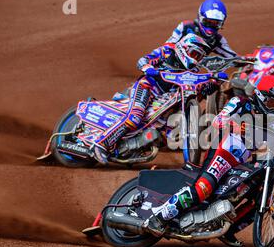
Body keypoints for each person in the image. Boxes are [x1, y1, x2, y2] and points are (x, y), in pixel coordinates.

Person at [143, 75, 274, 246]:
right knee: (203, 189)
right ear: (261, 97)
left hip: (242, 165)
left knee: (258, 196)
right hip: (223, 153)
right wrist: (237, 126)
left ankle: (229, 230)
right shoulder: (241, 103)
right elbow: (217, 122)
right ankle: (158, 218)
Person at [92, 34, 218, 164]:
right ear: (184, 49)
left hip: (168, 98)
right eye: (194, 54)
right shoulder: (167, 51)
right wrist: (148, 68)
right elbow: (143, 60)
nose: (195, 59)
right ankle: (101, 144)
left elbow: (199, 89)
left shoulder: (193, 69)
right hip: (149, 87)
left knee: (164, 136)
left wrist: (213, 84)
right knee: (135, 117)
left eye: (199, 56)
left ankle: (131, 147)